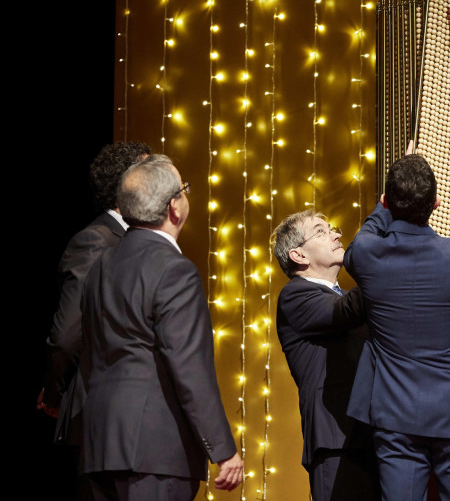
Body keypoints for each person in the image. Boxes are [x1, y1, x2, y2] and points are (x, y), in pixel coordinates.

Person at [81, 154, 243, 500]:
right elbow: (190, 368)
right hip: (156, 449)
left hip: (100, 444)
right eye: (184, 189)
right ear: (174, 207)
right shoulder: (175, 269)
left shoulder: (100, 267)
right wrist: (223, 448)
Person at [344, 148, 450, 501]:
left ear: (385, 202)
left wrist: (384, 206)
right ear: (437, 204)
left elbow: (363, 238)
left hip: (395, 412)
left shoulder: (366, 255)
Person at [39, 141, 151, 444]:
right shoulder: (96, 241)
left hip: (137, 418)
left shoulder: (143, 242)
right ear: (126, 187)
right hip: (98, 416)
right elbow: (67, 335)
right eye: (150, 175)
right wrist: (55, 393)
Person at [273, 210, 379, 500]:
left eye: (332, 227)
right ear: (299, 256)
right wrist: (387, 256)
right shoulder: (295, 295)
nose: (336, 234)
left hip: (377, 437)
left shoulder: (348, 297)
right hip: (338, 442)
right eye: (320, 231)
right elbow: (347, 311)